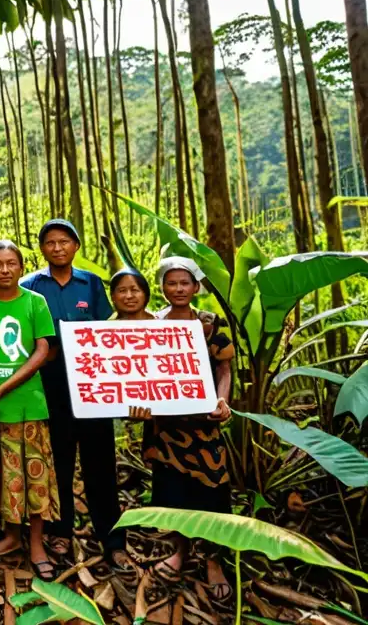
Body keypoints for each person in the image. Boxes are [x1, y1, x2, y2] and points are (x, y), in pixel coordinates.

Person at [20, 219, 128, 571]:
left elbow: (109, 330)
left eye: (64, 241)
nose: (57, 248)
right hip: (49, 385)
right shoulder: (30, 286)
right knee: (58, 463)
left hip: (93, 386)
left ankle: (112, 538)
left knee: (100, 464)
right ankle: (60, 530)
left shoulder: (92, 284)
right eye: (50, 243)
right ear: (42, 249)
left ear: (76, 245)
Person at [132, 257, 234, 602]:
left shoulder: (208, 323)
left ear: (196, 287)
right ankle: (180, 550)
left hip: (203, 428)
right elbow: (135, 370)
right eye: (171, 283)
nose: (178, 289)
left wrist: (223, 401)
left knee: (212, 493)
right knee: (171, 492)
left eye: (185, 283)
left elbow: (224, 369)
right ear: (162, 286)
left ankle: (213, 560)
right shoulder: (150, 323)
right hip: (164, 428)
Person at [0, 241, 58, 578]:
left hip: (27, 405)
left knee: (34, 477)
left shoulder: (36, 302)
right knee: (3, 475)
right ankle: (10, 536)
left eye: (12, 264)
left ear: (21, 267)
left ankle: (35, 543)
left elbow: (42, 349)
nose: (5, 270)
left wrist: (6, 386)